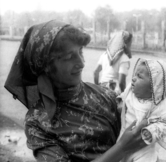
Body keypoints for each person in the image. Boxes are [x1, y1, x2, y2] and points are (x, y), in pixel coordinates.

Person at [4, 20, 148, 162]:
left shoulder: (106, 96)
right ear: (46, 65)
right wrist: (123, 147)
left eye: (80, 52)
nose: (81, 63)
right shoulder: (37, 123)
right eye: (69, 57)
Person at [117, 58, 166, 162]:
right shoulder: (130, 89)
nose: (133, 79)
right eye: (135, 74)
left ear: (154, 87)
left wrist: (151, 131)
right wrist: (119, 100)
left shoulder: (157, 105)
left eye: (139, 77)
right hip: (123, 138)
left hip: (143, 147)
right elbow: (123, 96)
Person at [93, 30, 132, 95]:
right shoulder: (124, 58)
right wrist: (123, 97)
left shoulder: (105, 55)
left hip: (101, 89)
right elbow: (121, 82)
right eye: (130, 44)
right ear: (126, 44)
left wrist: (97, 88)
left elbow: (95, 72)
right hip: (113, 91)